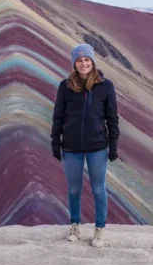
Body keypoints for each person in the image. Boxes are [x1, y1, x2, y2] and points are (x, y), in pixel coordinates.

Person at [50, 43, 120, 247]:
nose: (83, 64)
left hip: (97, 146)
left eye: (87, 60)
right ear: (74, 63)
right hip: (71, 147)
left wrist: (113, 145)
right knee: (74, 190)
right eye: (79, 60)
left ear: (93, 61)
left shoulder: (105, 86)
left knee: (99, 189)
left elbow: (112, 118)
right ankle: (75, 225)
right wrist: (56, 142)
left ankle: (99, 230)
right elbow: (58, 116)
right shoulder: (65, 86)